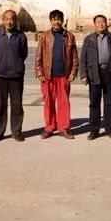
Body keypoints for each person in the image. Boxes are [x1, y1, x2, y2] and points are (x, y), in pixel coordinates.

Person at [79, 15, 111, 141]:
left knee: (110, 103)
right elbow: (83, 58)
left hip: (110, 72)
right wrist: (83, 75)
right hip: (94, 73)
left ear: (107, 24)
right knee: (94, 103)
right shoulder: (89, 39)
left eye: (103, 22)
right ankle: (94, 130)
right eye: (98, 22)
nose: (101, 24)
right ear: (94, 24)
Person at [35, 9, 79, 139]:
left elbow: (75, 57)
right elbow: (39, 55)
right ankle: (49, 127)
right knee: (48, 102)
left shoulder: (70, 36)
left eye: (59, 19)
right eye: (54, 19)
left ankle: (64, 128)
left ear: (62, 20)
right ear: (51, 21)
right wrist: (40, 72)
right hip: (48, 76)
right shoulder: (44, 36)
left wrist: (73, 72)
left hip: (64, 75)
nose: (57, 22)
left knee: (64, 103)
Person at [0, 9, 28, 143]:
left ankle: (16, 132)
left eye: (12, 19)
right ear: (3, 20)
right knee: (0, 105)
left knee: (17, 105)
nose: (9, 22)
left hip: (16, 76)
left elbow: (23, 54)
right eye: (7, 19)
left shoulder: (21, 36)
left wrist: (15, 65)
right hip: (0, 76)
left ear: (15, 21)